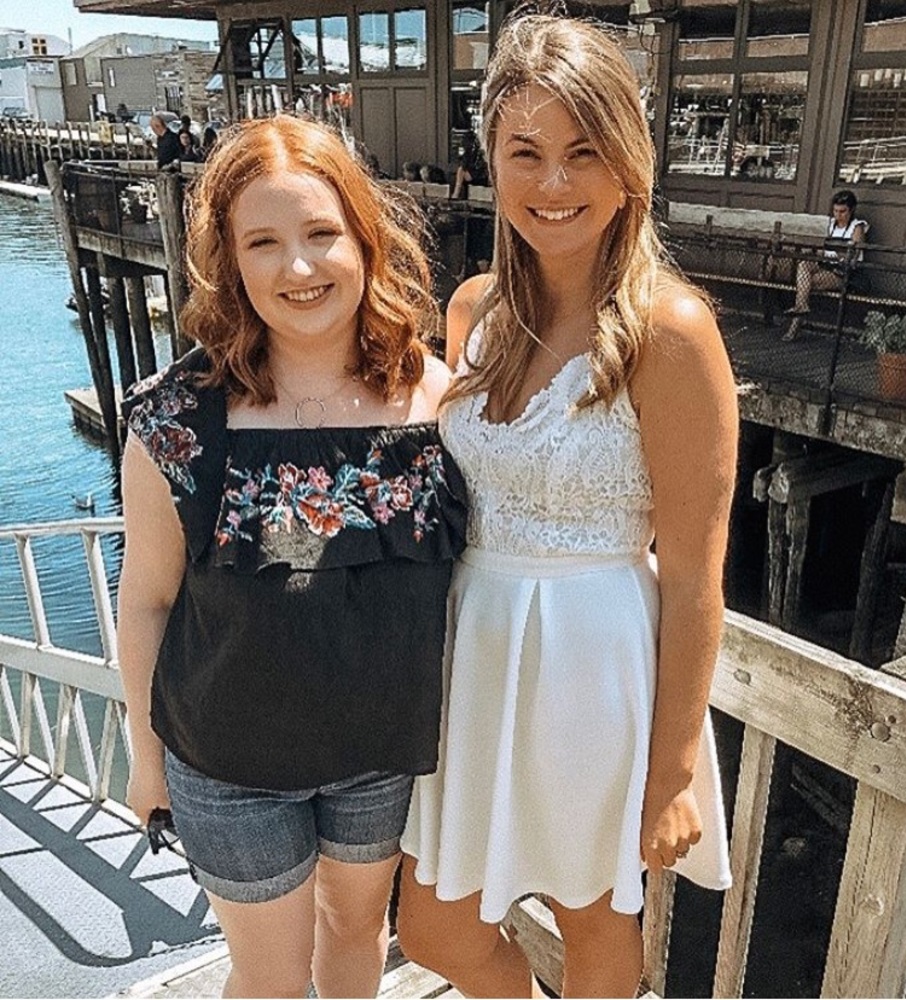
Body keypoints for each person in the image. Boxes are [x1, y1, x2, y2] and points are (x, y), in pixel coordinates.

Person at [397, 15, 736, 997]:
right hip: (474, 652)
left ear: (629, 162)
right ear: (490, 160)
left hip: (596, 656)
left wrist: (673, 768)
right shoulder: (473, 311)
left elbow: (694, 572)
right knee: (434, 928)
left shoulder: (668, 333)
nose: (553, 184)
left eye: (583, 153)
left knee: (595, 910)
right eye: (526, 153)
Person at [117, 115, 467, 998]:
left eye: (321, 234)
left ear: (363, 237)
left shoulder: (437, 399)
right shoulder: (175, 419)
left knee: (355, 938)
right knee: (269, 980)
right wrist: (144, 757)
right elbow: (148, 599)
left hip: (381, 749)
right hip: (229, 760)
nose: (299, 268)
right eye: (264, 242)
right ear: (230, 263)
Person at [785, 189, 868, 341]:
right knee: (804, 265)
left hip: (842, 272)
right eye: (835, 211)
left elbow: (853, 254)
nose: (838, 215)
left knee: (805, 283)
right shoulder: (831, 225)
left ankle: (794, 326)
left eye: (842, 211)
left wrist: (837, 252)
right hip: (826, 265)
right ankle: (801, 308)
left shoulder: (857, 227)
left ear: (851, 210)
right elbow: (825, 249)